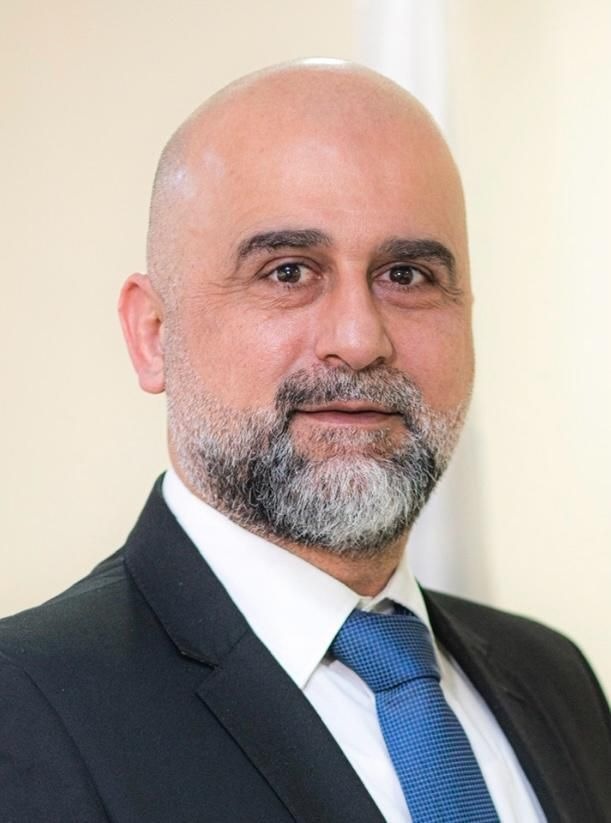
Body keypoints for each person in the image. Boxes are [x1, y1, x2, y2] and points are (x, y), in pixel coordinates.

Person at [0, 59, 609, 823]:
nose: (358, 339)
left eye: (407, 275)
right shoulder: (26, 711)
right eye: (288, 271)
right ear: (153, 334)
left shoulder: (555, 680)